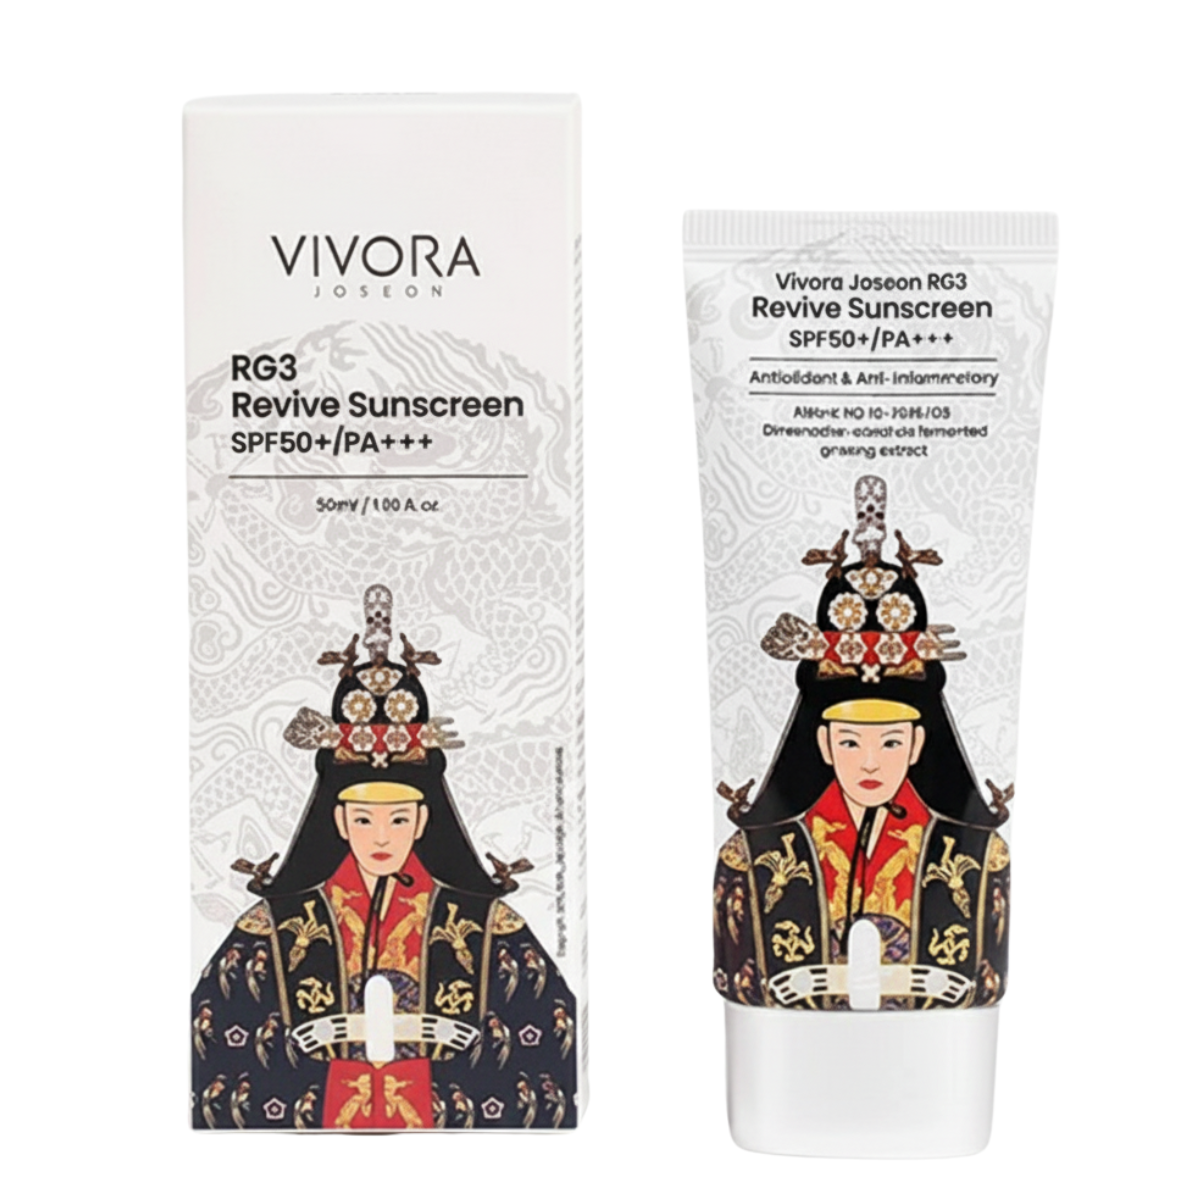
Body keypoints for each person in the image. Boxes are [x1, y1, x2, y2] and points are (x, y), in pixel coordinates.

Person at [192, 585, 577, 1129]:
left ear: (422, 821)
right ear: (339, 821)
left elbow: (545, 1051)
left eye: (398, 819)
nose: (381, 837)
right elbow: (217, 1051)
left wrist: (444, 1056)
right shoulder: (274, 926)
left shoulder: (487, 924)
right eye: (364, 819)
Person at [712, 476, 1012, 1011]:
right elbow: (735, 977)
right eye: (851, 743)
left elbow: (984, 980)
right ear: (824, 744)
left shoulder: (978, 854)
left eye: (891, 743)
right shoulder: (754, 855)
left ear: (917, 745)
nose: (870, 763)